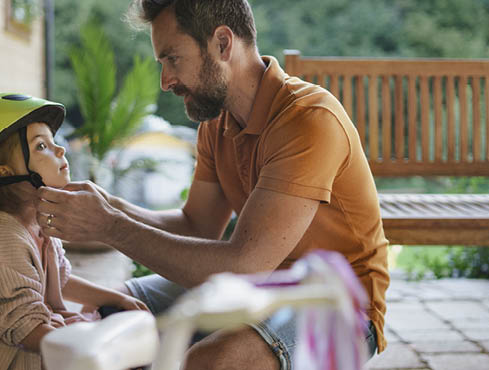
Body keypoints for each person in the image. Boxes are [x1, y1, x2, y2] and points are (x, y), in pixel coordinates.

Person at [35, 0, 390, 369]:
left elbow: (245, 265)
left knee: (209, 362)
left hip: (338, 307)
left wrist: (109, 226)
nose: (165, 81)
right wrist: (109, 206)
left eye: (172, 59)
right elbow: (197, 226)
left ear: (222, 44)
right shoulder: (216, 124)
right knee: (107, 309)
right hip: (257, 285)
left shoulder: (308, 120)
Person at [0, 93, 148, 370]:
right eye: (41, 146)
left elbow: (58, 279)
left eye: (54, 142)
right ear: (5, 172)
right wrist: (93, 349)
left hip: (36, 349)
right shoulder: (0, 240)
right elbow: (26, 330)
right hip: (11, 361)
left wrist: (116, 298)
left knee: (119, 325)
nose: (60, 150)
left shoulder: (37, 222)